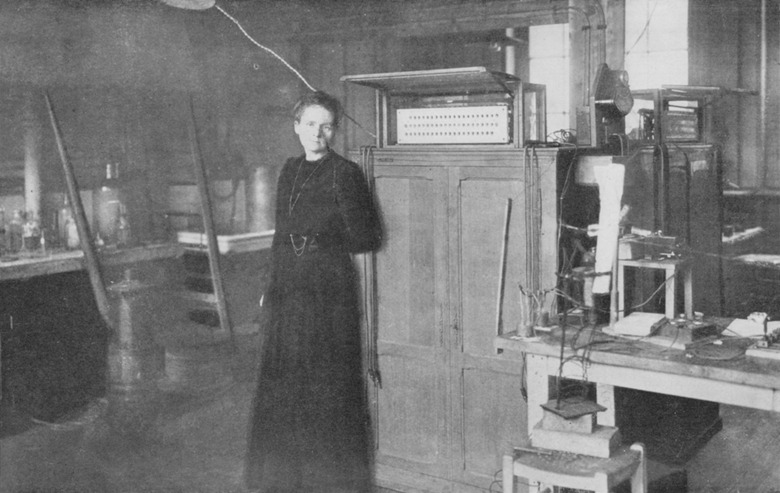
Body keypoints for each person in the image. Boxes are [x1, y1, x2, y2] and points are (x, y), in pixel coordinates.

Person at [245, 90, 382, 492]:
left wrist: (363, 309)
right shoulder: (289, 170)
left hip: (328, 291)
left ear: (335, 130)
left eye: (326, 126)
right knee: (285, 384)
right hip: (289, 288)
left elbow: (364, 243)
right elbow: (280, 234)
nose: (317, 133)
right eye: (309, 124)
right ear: (296, 127)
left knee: (326, 387)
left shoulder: (347, 174)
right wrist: (270, 286)